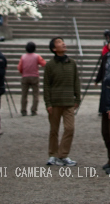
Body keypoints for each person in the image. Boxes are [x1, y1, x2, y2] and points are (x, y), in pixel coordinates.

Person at [43, 37, 80, 167]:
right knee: (54, 130)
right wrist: (48, 103)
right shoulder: (50, 65)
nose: (63, 43)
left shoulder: (72, 63)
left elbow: (76, 81)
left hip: (69, 101)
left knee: (70, 128)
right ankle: (52, 154)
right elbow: (46, 85)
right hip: (54, 102)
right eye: (59, 42)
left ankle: (63, 155)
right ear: (54, 48)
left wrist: (77, 98)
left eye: (63, 41)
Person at [18, 41, 46, 116]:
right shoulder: (37, 56)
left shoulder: (23, 57)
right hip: (34, 76)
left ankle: (23, 110)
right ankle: (33, 110)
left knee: (24, 94)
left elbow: (19, 67)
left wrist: (22, 72)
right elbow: (44, 64)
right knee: (35, 94)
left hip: (25, 76)